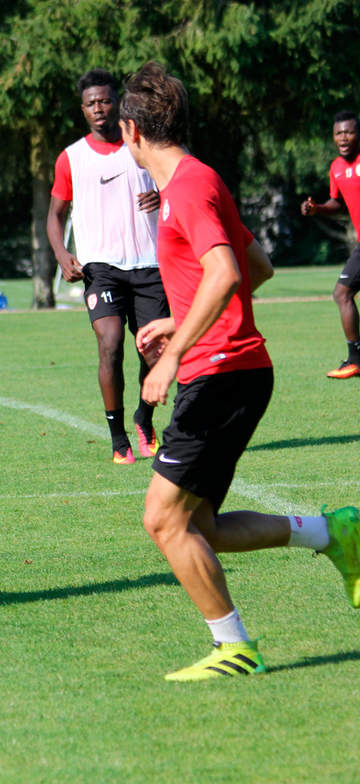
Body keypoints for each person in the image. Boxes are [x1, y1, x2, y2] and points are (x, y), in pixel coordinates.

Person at [119, 62, 360, 681]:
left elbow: (228, 272)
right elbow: (258, 265)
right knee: (201, 526)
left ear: (130, 132)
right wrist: (178, 323)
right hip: (230, 368)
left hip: (221, 372)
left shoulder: (189, 187)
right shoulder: (197, 182)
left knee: (162, 519)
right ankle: (332, 532)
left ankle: (235, 647)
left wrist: (171, 355)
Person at [46, 68, 168, 465]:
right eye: (91, 103)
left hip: (149, 265)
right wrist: (62, 255)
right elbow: (55, 214)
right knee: (111, 343)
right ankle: (119, 441)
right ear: (83, 110)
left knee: (154, 352)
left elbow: (176, 184)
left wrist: (161, 196)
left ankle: (143, 417)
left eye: (105, 101)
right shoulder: (71, 158)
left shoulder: (143, 146)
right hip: (102, 268)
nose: (99, 109)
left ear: (117, 103)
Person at [300, 111, 360, 378]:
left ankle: (356, 359)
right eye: (339, 133)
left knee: (342, 293)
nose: (343, 137)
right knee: (342, 294)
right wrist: (318, 209)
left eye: (349, 132)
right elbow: (338, 203)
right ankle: (355, 359)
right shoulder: (336, 167)